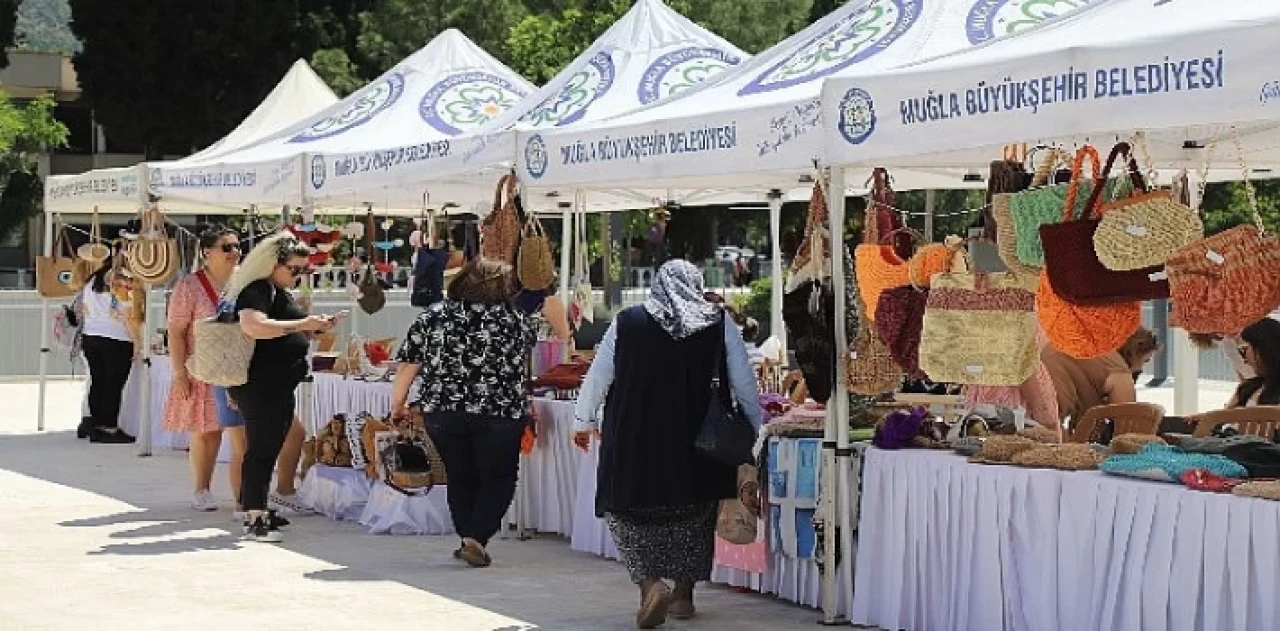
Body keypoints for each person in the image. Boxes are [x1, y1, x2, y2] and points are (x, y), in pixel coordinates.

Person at [572, 260, 763, 629]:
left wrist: (581, 421)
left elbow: (598, 377)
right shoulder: (718, 322)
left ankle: (650, 584)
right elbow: (743, 379)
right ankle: (683, 596)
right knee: (695, 512)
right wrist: (753, 425)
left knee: (624, 510)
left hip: (634, 436)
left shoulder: (627, 323)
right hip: (701, 439)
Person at [390, 259, 537, 568]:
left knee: (460, 473)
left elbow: (408, 366)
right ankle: (476, 538)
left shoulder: (433, 316)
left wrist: (397, 406)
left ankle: (468, 536)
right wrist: (528, 402)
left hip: (443, 410)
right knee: (498, 476)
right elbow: (523, 366)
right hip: (501, 410)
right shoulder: (518, 319)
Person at [226, 232, 342, 542]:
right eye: (294, 269)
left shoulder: (275, 289)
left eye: (304, 270)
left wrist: (310, 329)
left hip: (274, 386)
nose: (299, 275)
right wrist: (303, 325)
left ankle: (258, 507)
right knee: (261, 451)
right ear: (272, 264)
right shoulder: (258, 289)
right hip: (262, 385)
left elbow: (279, 330)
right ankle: (253, 516)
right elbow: (252, 325)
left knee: (267, 448)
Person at [162, 226, 241, 511]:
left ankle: (243, 495)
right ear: (207, 252)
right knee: (205, 430)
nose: (235, 252)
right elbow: (176, 331)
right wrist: (180, 372)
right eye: (227, 247)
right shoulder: (190, 286)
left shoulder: (244, 283)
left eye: (236, 246)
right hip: (202, 368)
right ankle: (201, 488)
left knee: (232, 431)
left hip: (235, 368)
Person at [1042, 327, 1160, 428]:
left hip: (1036, 383)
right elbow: (1127, 422)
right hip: (1050, 409)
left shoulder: (1094, 347)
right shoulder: (1119, 370)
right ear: (1134, 352)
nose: (1140, 369)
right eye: (1145, 361)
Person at [77, 256, 140, 444]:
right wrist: (137, 341)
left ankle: (93, 422)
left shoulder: (91, 280)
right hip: (116, 338)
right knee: (113, 385)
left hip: (91, 335)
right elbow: (128, 316)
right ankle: (109, 427)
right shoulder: (122, 282)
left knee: (98, 381)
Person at [1225, 317, 1280, 408]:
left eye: (1245, 350)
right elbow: (1221, 417)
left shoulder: (1250, 389)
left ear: (1260, 351)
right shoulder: (1248, 388)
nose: (1245, 361)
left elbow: (1222, 417)